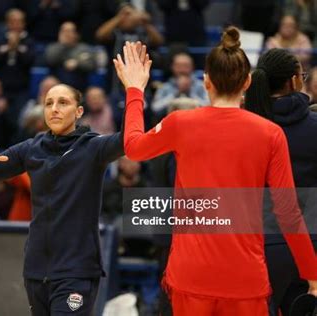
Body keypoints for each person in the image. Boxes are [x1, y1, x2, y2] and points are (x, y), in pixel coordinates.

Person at [115, 31, 317, 315]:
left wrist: (135, 91)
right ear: (247, 82)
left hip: (190, 274)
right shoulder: (270, 134)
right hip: (245, 277)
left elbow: (133, 147)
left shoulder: (180, 123)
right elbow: (288, 212)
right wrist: (312, 274)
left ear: (206, 81)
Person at [0, 83, 124, 315]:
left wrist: (135, 91)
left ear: (78, 112)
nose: (54, 109)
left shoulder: (94, 147)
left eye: (63, 103)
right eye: (49, 103)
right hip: (36, 271)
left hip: (76, 271)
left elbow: (130, 139)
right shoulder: (32, 148)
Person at [245, 48, 317, 316]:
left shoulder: (245, 126)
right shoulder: (313, 126)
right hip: (308, 243)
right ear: (293, 81)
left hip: (253, 244)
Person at [0, 8, 35, 118]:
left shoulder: (29, 41)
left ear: (23, 23)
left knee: (20, 119)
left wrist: (17, 48)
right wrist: (7, 48)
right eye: (12, 22)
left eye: (19, 21)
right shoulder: (0, 40)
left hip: (22, 90)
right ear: (7, 23)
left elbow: (29, 61)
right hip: (2, 90)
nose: (16, 25)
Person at [150, 52, 208, 116]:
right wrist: (176, 92)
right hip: (171, 123)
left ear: (192, 67)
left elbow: (210, 108)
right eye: (178, 66)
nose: (182, 69)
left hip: (198, 122)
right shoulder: (165, 87)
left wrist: (190, 92)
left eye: (186, 66)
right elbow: (155, 109)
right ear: (172, 67)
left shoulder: (202, 86)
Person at [45, 21, 96, 92]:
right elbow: (49, 60)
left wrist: (77, 63)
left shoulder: (84, 48)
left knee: (95, 92)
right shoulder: (53, 47)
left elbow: (91, 66)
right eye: (64, 31)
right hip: (57, 85)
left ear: (76, 34)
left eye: (69, 31)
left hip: (80, 86)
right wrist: (61, 45)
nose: (66, 34)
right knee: (48, 82)